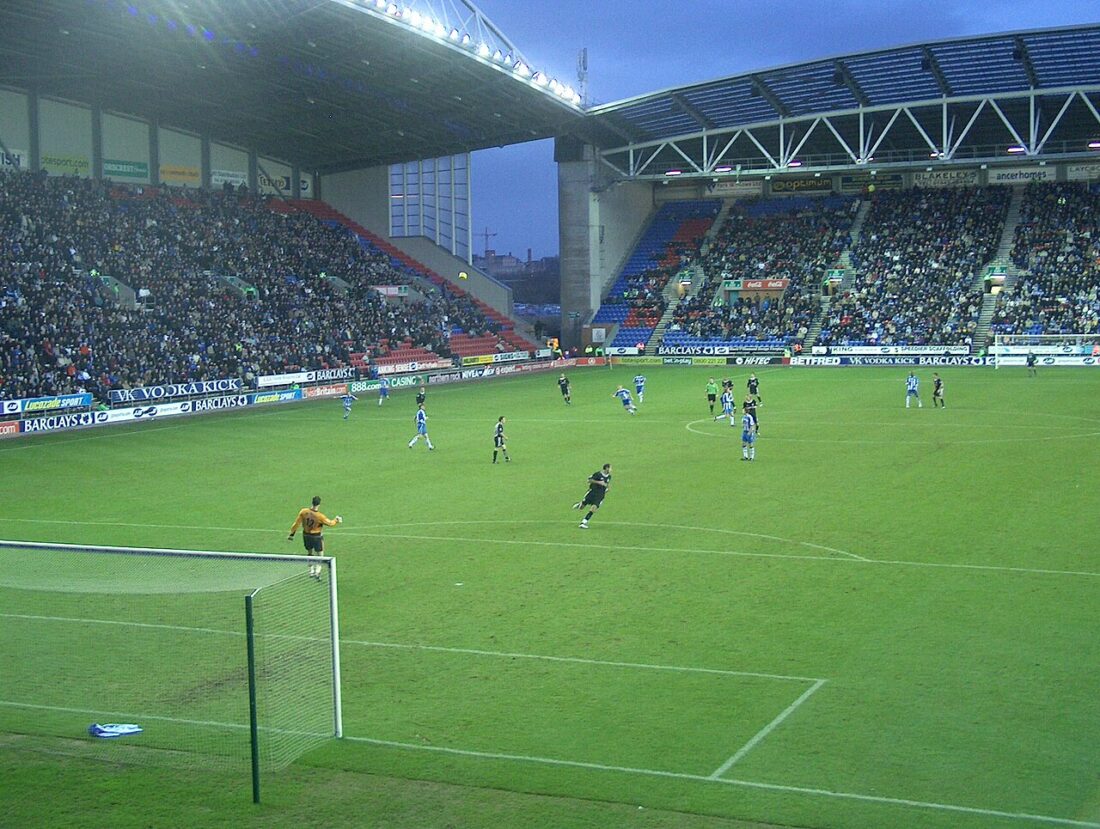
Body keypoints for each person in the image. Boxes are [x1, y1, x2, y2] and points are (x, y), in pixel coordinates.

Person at [287, 495, 343, 579]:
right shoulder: (320, 516)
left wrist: (292, 534)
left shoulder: (303, 512)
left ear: (312, 502)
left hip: (306, 535)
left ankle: (311, 570)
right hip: (316, 537)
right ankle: (317, 572)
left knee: (310, 553)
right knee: (320, 555)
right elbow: (330, 523)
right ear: (319, 504)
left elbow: (296, 524)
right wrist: (336, 520)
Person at [572, 463, 612, 529]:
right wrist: (599, 482)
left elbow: (607, 483)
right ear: (607, 468)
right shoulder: (597, 474)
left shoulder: (609, 476)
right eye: (610, 468)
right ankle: (580, 504)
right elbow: (589, 480)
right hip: (592, 493)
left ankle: (583, 522)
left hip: (600, 496)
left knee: (593, 509)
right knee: (581, 508)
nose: (611, 470)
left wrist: (607, 489)